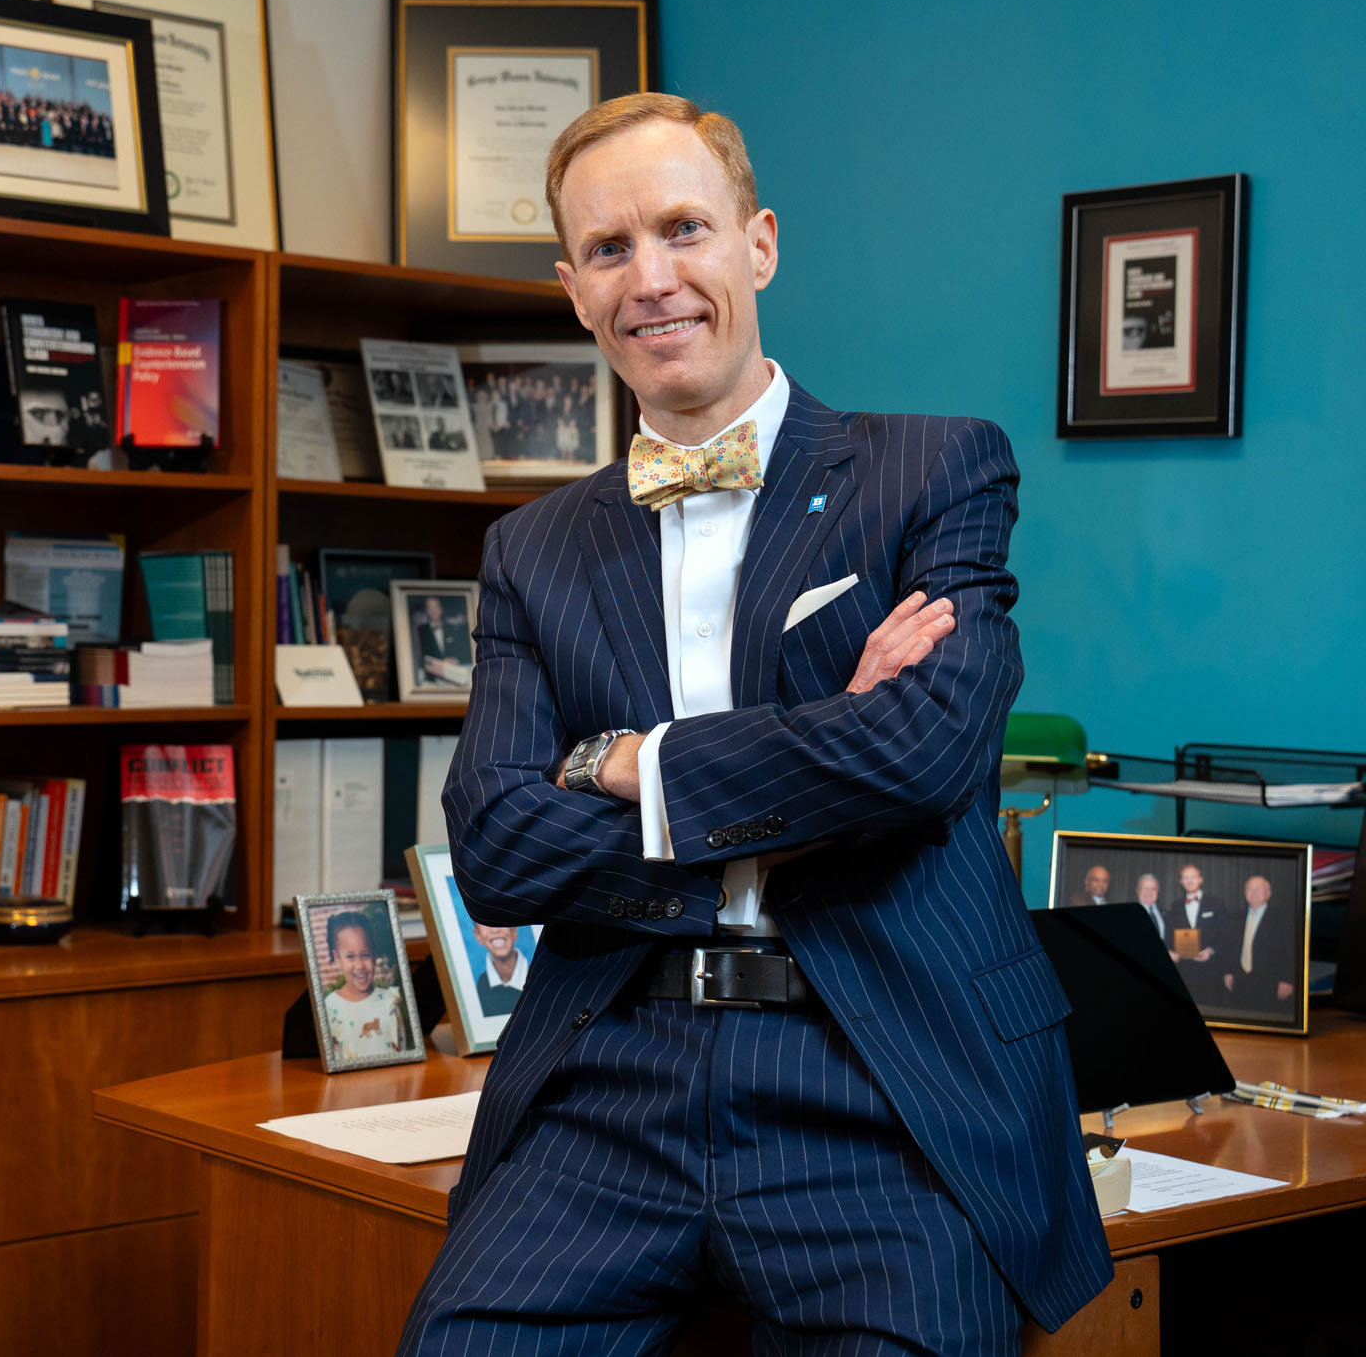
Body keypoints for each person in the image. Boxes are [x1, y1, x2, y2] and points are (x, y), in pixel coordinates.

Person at [399, 94, 1108, 1356]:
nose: (652, 279)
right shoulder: (529, 549)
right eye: (609, 250)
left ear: (758, 242)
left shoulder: (933, 469)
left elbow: (924, 753)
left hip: (879, 1081)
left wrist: (627, 765)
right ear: (571, 288)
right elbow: (498, 849)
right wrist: (818, 752)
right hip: (612, 1079)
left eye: (683, 229)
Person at [320, 910, 406, 1063]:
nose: (359, 966)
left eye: (365, 955)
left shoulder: (389, 1000)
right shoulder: (330, 1007)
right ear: (338, 958)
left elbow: (402, 1048)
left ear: (374, 955)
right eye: (350, 956)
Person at [1223, 873, 1296, 1010]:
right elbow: (1230, 947)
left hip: (1271, 983)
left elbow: (1291, 951)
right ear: (1244, 893)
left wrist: (1288, 980)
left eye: (1259, 888)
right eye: (1250, 888)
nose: (1254, 892)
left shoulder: (1282, 918)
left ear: (1268, 893)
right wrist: (1228, 971)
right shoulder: (1235, 917)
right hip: (1240, 981)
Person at [1169, 861, 1225, 1008]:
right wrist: (1171, 952)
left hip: (1210, 971)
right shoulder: (1175, 906)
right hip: (1184, 973)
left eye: (1193, 876)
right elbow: (1169, 935)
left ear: (1201, 879)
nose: (1189, 880)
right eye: (1185, 877)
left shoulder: (1216, 903)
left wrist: (1212, 950)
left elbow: (1225, 934)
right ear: (1181, 882)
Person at [468, 922, 530, 1017]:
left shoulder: (539, 976)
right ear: (478, 936)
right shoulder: (481, 986)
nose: (495, 930)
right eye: (485, 922)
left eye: (499, 919)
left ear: (513, 930)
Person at [412, 595, 473, 688]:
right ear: (426, 611)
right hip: (431, 680)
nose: (433, 611)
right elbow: (418, 656)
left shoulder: (452, 629)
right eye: (430, 608)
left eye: (436, 607)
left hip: (453, 678)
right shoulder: (421, 631)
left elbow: (463, 652)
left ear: (441, 609)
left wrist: (455, 660)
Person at [1135, 872, 1170, 945]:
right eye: (1145, 889)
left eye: (1153, 889)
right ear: (1138, 891)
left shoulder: (1165, 913)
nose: (1149, 892)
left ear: (1157, 892)